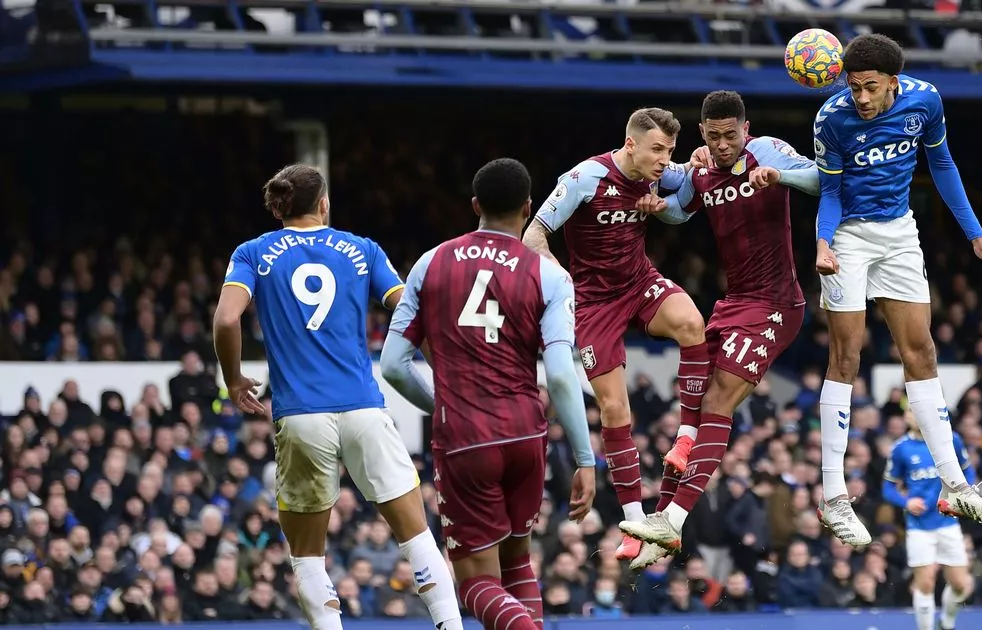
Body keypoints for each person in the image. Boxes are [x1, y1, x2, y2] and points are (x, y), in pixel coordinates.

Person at [213, 165, 462, 630]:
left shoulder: (252, 253)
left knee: (308, 557)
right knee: (417, 536)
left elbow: (227, 321)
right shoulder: (363, 249)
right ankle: (450, 625)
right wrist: (445, 376)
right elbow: (412, 312)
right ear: (324, 203)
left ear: (278, 208)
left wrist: (233, 378)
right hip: (364, 407)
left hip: (301, 415)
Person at [810, 33, 982, 543]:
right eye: (853, 88)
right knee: (847, 356)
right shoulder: (832, 119)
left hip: (899, 234)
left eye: (869, 88)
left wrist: (975, 235)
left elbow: (942, 164)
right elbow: (829, 190)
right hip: (850, 236)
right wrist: (823, 242)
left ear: (893, 82)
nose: (860, 98)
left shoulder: (926, 100)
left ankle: (955, 482)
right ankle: (833, 495)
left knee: (921, 351)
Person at [381, 158, 597, 630]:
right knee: (517, 562)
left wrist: (445, 407)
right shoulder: (549, 275)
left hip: (464, 438)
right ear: (528, 207)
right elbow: (561, 375)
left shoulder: (430, 263)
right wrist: (585, 458)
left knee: (475, 584)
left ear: (475, 205)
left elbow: (394, 367)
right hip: (527, 434)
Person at [619, 90, 819, 563]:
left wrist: (779, 176)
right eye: (714, 136)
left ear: (745, 130)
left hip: (776, 305)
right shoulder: (701, 169)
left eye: (732, 135)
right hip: (733, 303)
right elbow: (679, 211)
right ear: (702, 135)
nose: (724, 144)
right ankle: (661, 528)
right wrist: (654, 207)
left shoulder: (767, 151)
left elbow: (820, 178)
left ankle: (674, 518)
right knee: (692, 413)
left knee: (716, 402)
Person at [521, 108, 708, 564]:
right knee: (613, 406)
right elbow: (533, 235)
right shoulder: (585, 177)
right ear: (631, 145)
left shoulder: (659, 173)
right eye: (658, 150)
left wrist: (692, 174)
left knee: (693, 324)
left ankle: (686, 437)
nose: (666, 161)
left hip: (639, 282)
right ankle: (632, 523)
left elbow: (684, 206)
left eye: (671, 151)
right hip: (593, 302)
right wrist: (560, 278)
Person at [883, 410, 975, 630]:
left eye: (916, 410)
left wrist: (960, 495)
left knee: (961, 585)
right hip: (918, 526)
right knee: (925, 583)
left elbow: (968, 472)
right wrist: (906, 502)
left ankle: (946, 622)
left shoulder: (950, 439)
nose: (912, 415)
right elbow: (887, 487)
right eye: (908, 411)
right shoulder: (900, 448)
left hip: (948, 522)